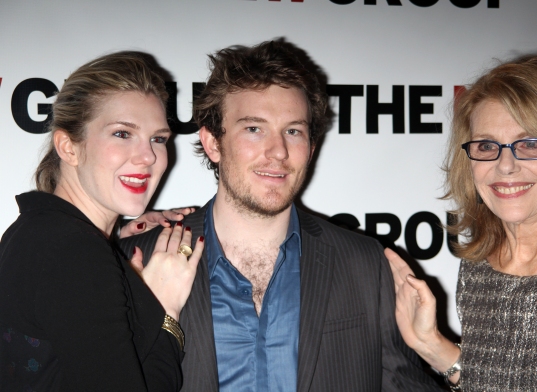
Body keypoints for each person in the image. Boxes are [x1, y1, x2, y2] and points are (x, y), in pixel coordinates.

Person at [120, 39, 442, 391]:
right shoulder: (137, 260)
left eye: (293, 131)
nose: (278, 152)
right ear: (213, 143)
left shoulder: (365, 263)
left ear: (312, 147)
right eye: (254, 128)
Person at [385, 55, 537, 391]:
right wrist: (430, 344)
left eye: (529, 143)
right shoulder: (478, 271)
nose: (505, 165)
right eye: (487, 146)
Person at [0, 52, 203, 391]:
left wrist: (114, 244)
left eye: (158, 138)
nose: (148, 156)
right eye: (122, 134)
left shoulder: (35, 233)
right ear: (68, 147)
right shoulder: (74, 251)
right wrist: (165, 311)